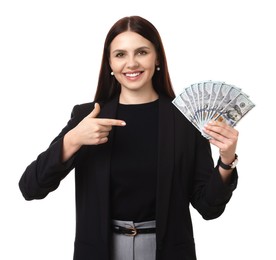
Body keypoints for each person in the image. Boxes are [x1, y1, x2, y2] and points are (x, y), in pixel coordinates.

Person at [19, 15, 239, 260]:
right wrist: (72, 140)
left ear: (157, 59)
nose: (131, 63)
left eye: (142, 52)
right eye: (120, 54)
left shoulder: (185, 120)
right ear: (110, 64)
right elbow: (30, 188)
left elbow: (209, 208)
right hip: (101, 251)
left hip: (165, 252)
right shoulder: (88, 117)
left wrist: (226, 161)